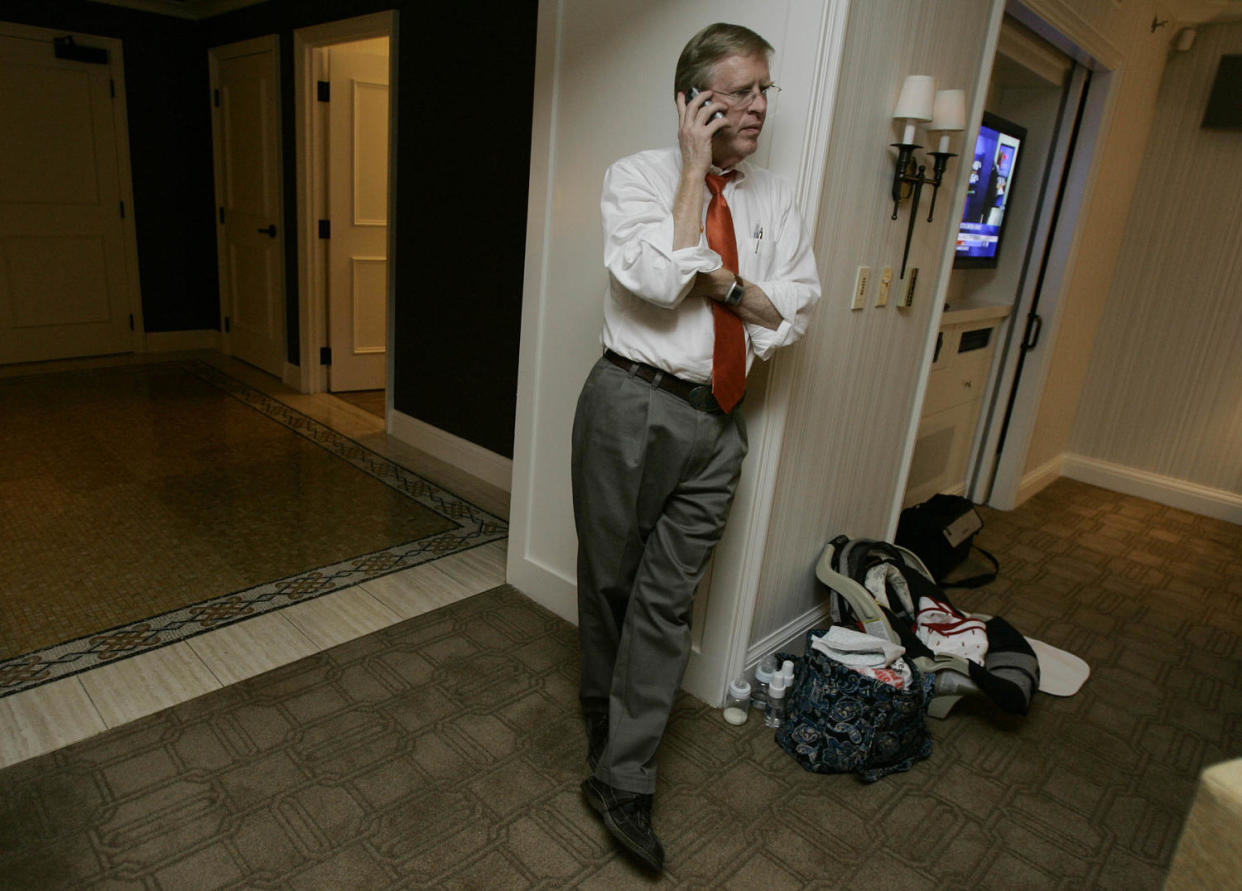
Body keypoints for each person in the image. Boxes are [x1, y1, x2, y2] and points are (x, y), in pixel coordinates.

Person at [571, 22, 821, 872]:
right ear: (695, 102)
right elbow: (653, 275)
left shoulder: (775, 199)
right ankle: (602, 706)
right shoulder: (636, 177)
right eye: (740, 92)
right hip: (628, 403)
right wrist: (690, 175)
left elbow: (792, 309)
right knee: (610, 577)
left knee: (665, 602)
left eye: (764, 91)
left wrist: (720, 278)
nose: (757, 107)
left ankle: (623, 775)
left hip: (718, 423)